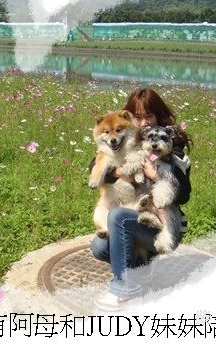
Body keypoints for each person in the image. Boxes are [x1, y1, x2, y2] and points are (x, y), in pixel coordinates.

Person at [89, 88, 191, 311]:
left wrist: (156, 176)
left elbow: (184, 194)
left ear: (159, 116)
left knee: (118, 217)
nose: (143, 122)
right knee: (99, 246)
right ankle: (140, 269)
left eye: (149, 116)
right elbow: (94, 166)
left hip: (162, 224)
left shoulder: (171, 146)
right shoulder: (128, 140)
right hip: (135, 214)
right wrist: (120, 173)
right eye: (138, 117)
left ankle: (124, 290)